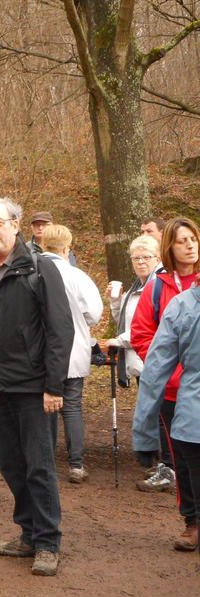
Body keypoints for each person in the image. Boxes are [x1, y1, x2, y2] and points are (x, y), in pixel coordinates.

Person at [0, 197, 73, 577]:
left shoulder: (39, 268)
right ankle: (28, 533)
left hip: (34, 387)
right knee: (11, 464)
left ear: (15, 225)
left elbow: (61, 330)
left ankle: (47, 542)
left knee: (39, 466)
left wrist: (54, 385)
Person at [131, 217, 200, 552]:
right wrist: (173, 372)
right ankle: (191, 521)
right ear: (169, 247)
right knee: (183, 461)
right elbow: (143, 335)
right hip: (173, 389)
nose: (189, 245)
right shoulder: (159, 287)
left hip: (192, 384)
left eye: (193, 239)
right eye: (181, 240)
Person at [39, 225, 103, 483]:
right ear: (67, 247)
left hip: (41, 350)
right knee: (72, 406)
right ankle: (76, 464)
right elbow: (94, 314)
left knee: (45, 405)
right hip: (74, 347)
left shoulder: (33, 271)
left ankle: (46, 461)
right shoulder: (77, 276)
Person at [106, 235, 169, 489]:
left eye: (147, 257)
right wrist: (115, 300)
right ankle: (159, 463)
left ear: (158, 258)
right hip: (143, 361)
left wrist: (117, 341)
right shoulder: (137, 285)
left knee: (163, 415)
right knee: (154, 414)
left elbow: (152, 326)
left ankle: (168, 467)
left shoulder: (158, 284)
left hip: (157, 361)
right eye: (136, 258)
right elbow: (126, 320)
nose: (141, 262)